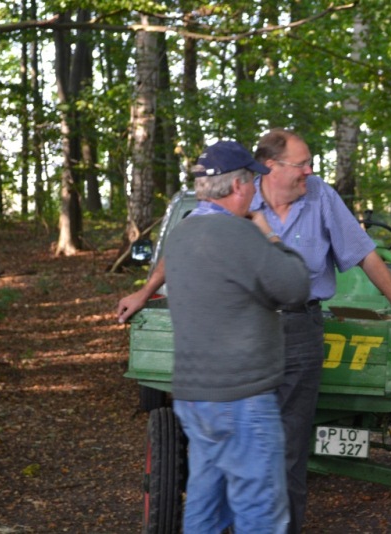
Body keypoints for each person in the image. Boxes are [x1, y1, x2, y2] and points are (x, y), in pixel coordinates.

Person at [116, 128, 391, 533]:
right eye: (302, 163)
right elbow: (287, 277)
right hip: (248, 359)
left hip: (290, 333)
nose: (309, 171)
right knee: (259, 476)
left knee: (281, 455)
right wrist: (145, 292)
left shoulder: (318, 196)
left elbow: (363, 253)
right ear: (268, 168)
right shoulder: (241, 216)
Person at [164, 141, 310, 532]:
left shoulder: (181, 234)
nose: (254, 191)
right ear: (237, 187)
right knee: (260, 513)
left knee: (206, 507)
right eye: (251, 182)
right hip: (241, 398)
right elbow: (296, 286)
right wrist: (269, 233)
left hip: (194, 397)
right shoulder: (239, 235)